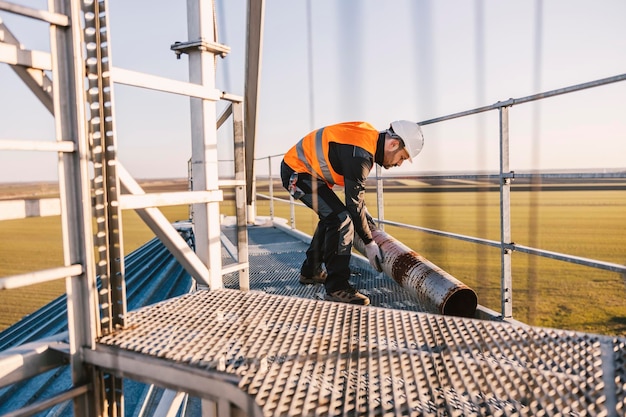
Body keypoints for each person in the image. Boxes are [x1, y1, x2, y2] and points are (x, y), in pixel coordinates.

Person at [280, 120, 424, 305]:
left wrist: (362, 214)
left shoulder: (367, 140)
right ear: (393, 144)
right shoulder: (361, 154)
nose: (400, 164)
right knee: (341, 219)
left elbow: (355, 197)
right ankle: (337, 288)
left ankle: (311, 271)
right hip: (297, 173)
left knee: (332, 217)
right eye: (402, 157)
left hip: (306, 172)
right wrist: (369, 242)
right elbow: (354, 203)